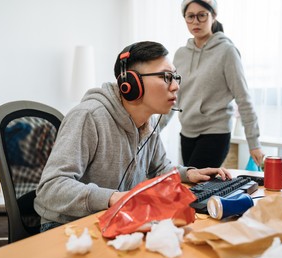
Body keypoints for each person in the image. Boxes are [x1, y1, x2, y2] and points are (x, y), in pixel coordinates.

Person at [34, 41, 232, 232]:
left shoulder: (150, 122)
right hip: (67, 226)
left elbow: (159, 168)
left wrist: (188, 174)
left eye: (175, 77)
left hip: (117, 217)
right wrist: (113, 198)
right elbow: (50, 188)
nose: (175, 86)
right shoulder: (89, 117)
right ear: (131, 84)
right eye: (165, 77)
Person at [161, 0, 264, 169]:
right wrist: (153, 130)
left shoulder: (227, 51)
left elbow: (243, 98)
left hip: (215, 132)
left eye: (202, 15)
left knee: (195, 184)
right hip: (187, 132)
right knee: (194, 188)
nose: (196, 21)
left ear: (213, 16)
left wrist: (254, 143)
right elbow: (173, 95)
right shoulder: (180, 54)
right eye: (190, 16)